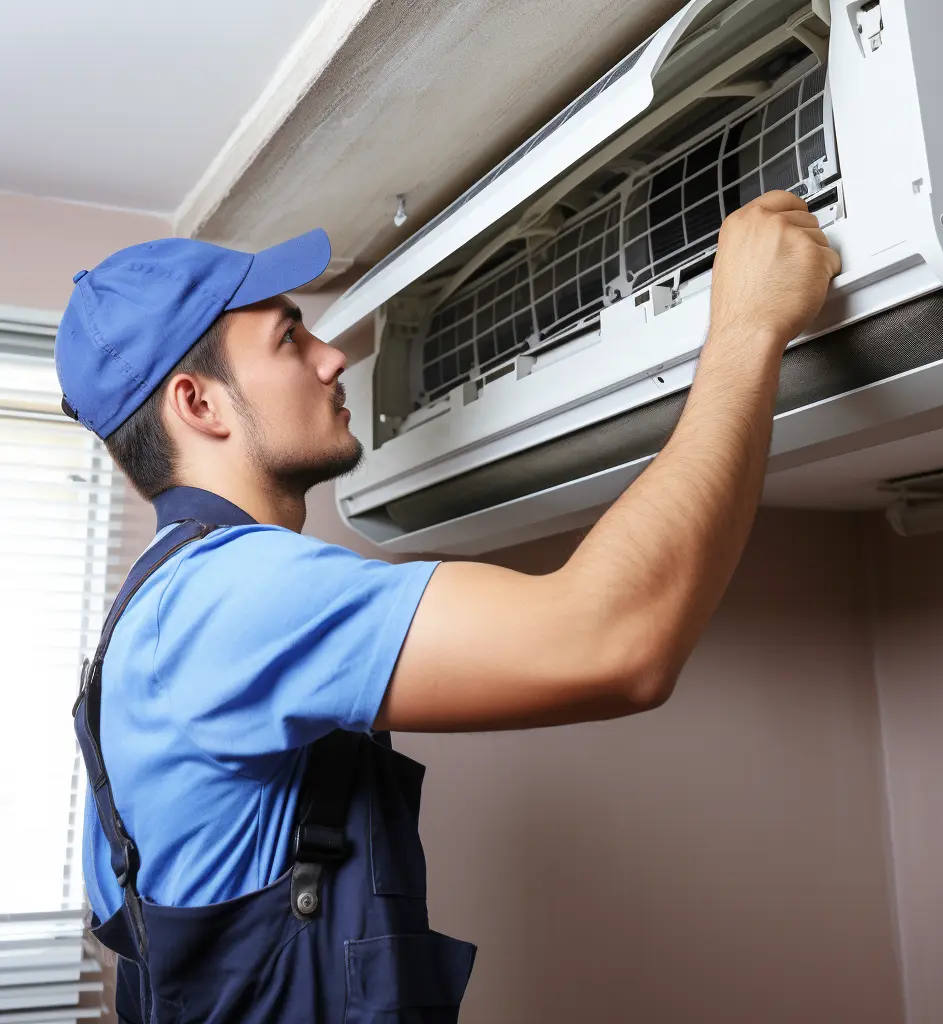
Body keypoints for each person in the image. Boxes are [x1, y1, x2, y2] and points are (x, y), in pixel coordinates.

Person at [57, 190, 840, 1023]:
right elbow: (618, 641)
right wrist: (749, 324)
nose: (331, 359)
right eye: (291, 337)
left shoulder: (157, 603)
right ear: (198, 403)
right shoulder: (233, 598)